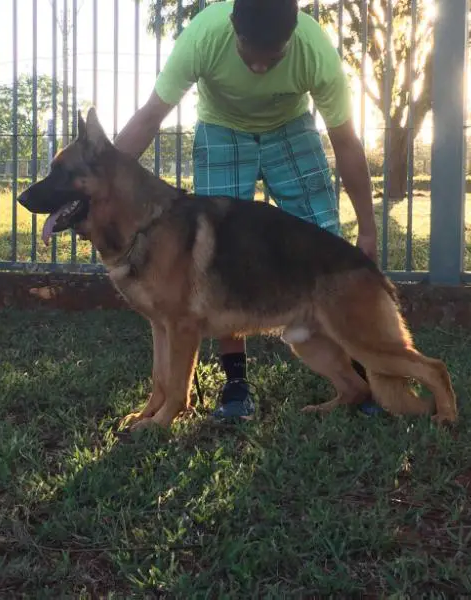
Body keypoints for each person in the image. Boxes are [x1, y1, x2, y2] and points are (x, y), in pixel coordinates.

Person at [113, 0, 381, 422]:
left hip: (290, 130)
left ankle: (363, 376)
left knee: (324, 248)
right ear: (234, 28)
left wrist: (366, 228)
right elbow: (149, 117)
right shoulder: (203, 37)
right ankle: (235, 384)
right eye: (249, 55)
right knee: (221, 262)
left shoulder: (314, 50)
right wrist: (105, 173)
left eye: (271, 58)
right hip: (223, 129)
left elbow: (346, 142)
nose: (258, 68)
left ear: (292, 36)